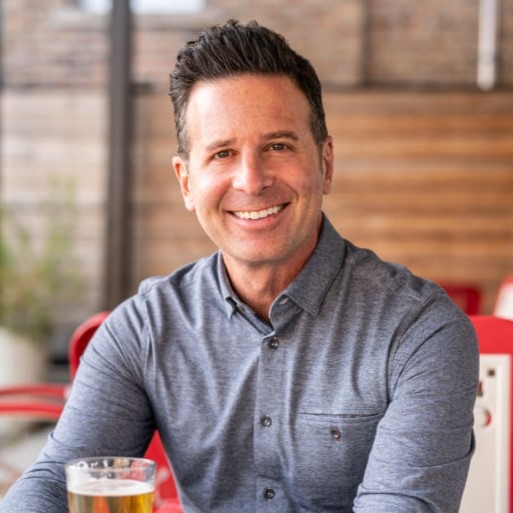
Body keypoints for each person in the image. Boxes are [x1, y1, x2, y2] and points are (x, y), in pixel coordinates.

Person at [0, 19, 478, 513]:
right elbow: (54, 484)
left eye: (278, 146)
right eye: (222, 153)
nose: (251, 181)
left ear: (326, 163)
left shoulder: (421, 331)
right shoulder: (144, 328)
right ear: (187, 182)